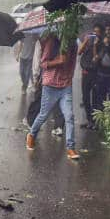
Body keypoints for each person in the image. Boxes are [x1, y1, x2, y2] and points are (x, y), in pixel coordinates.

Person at [26, 31, 79, 160]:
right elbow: (43, 63)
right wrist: (58, 61)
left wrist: (69, 78)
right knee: (43, 115)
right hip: (50, 85)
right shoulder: (52, 41)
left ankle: (70, 147)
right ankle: (31, 135)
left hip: (65, 85)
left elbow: (72, 64)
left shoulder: (73, 43)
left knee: (69, 116)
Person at [78, 24, 103, 129]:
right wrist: (86, 41)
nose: (95, 34)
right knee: (85, 98)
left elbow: (95, 59)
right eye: (94, 32)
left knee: (95, 98)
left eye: (97, 32)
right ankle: (89, 120)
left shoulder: (101, 44)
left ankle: (95, 122)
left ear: (100, 33)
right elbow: (79, 52)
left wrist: (95, 46)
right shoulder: (87, 43)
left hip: (95, 74)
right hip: (85, 73)